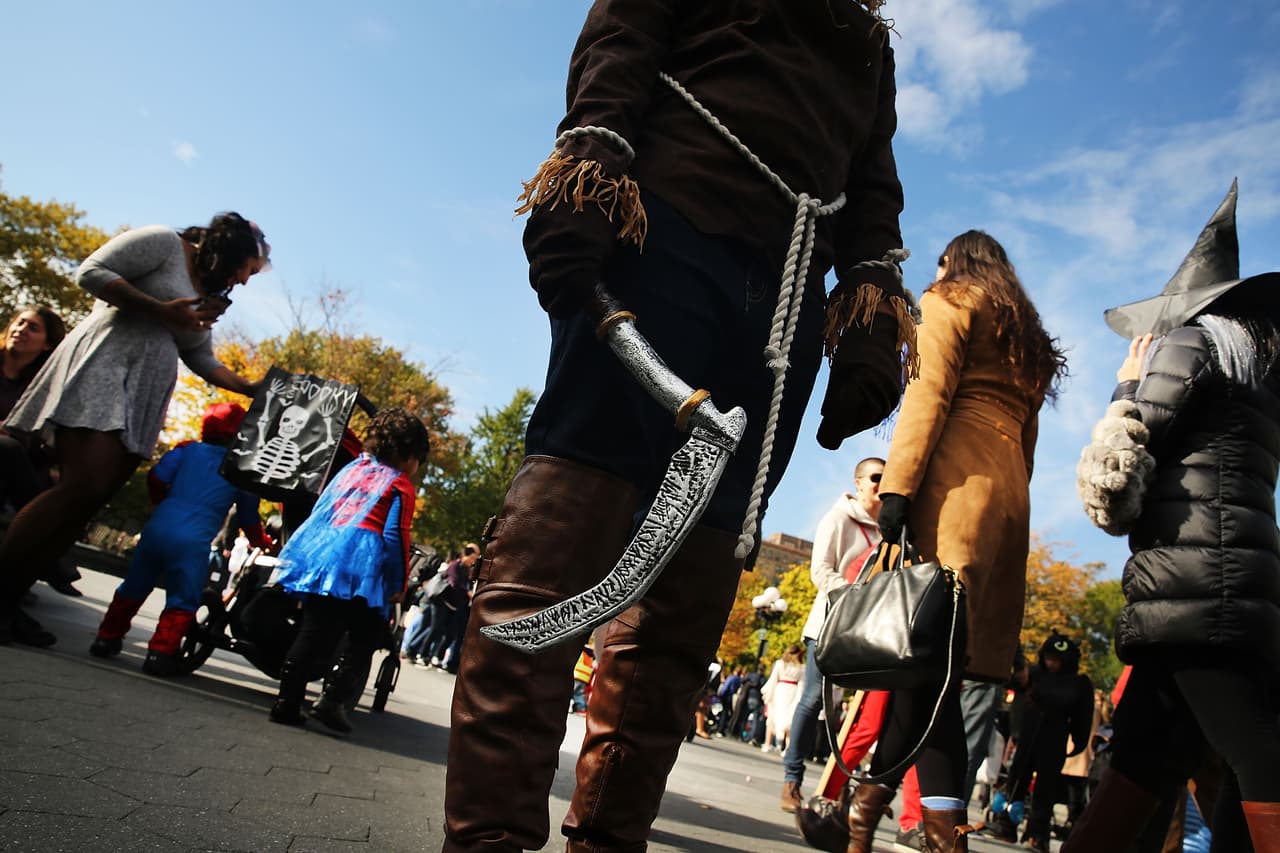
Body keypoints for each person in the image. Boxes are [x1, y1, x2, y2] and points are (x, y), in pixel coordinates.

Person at [442, 3, 912, 851]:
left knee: (685, 609)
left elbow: (872, 182)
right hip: (660, 236)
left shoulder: (867, 37)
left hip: (785, 310)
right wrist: (587, 165)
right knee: (554, 554)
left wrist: (872, 304)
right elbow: (621, 44)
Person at [1063, 182, 1280, 851]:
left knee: (1258, 757)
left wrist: (1127, 386)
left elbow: (1116, 477)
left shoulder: (1189, 344)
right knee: (1144, 765)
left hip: (1192, 590)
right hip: (1231, 587)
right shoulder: (1256, 375)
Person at [852, 230, 1068, 853]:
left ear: (956, 261)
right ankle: (859, 816)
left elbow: (928, 393)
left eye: (942, 261)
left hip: (954, 486)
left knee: (930, 669)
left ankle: (941, 835)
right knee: (927, 667)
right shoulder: (1025, 334)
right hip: (1007, 498)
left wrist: (899, 487)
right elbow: (1028, 447)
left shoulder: (951, 298)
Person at [0, 213, 269, 646]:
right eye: (246, 269)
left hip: (142, 393)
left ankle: (10, 601)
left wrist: (249, 387)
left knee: (88, 500)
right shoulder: (163, 243)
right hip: (105, 367)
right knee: (82, 484)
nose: (244, 280)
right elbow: (91, 271)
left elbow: (200, 355)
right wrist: (159, 309)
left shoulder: (205, 289)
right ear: (232, 249)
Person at [265, 407, 428, 732]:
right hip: (361, 568)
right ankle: (332, 699)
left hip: (325, 556)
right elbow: (395, 535)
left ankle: (287, 702)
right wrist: (398, 582)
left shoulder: (352, 469)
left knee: (312, 633)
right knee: (367, 635)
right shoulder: (400, 485)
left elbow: (325, 507)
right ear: (409, 455)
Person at [88, 402, 271, 675]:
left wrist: (159, 501)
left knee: (133, 586)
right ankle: (160, 653)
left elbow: (157, 476)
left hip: (158, 528)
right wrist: (260, 541)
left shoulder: (186, 450)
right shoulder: (240, 469)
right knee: (184, 597)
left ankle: (106, 638)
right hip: (193, 539)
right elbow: (248, 515)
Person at [781, 456, 884, 812]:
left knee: (848, 709)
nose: (881, 484)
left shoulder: (888, 530)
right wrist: (853, 595)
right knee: (813, 700)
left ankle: (834, 787)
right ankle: (791, 781)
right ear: (858, 482)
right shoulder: (838, 518)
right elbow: (820, 570)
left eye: (887, 479)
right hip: (828, 625)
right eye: (875, 477)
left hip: (866, 632)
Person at [0, 304, 81, 598]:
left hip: (14, 468)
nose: (21, 330)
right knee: (8, 448)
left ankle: (14, 586)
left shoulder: (40, 390)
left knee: (65, 486)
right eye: (20, 323)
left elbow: (44, 441)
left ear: (47, 344)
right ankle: (52, 561)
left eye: (32, 328)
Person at [420, 544, 479, 668]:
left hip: (453, 605)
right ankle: (422, 654)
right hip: (441, 601)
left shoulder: (467, 570)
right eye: (473, 558)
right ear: (467, 555)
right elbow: (454, 583)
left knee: (451, 634)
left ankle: (437, 657)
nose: (473, 561)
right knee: (435, 629)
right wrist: (468, 592)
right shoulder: (455, 565)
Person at [762, 643, 806, 753]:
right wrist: (800, 699)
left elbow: (773, 679)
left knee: (773, 716)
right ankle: (787, 748)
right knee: (789, 720)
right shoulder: (801, 667)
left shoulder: (780, 664)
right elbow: (802, 685)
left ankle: (767, 744)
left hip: (779, 690)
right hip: (793, 692)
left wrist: (768, 693)